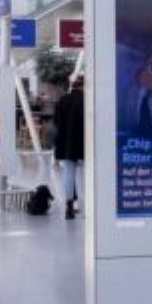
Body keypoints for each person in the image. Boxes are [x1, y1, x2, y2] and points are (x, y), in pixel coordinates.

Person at [53, 75, 85, 220]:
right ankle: (89, 206)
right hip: (85, 144)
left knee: (68, 174)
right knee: (86, 175)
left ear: (72, 85)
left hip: (67, 144)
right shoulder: (87, 100)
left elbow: (56, 122)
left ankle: (69, 207)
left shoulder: (63, 100)